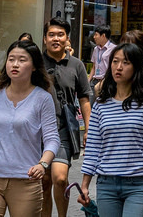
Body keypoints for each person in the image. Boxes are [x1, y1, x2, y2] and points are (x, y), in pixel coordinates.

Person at [0, 40, 59, 217]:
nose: (15, 64)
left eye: (22, 60)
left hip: (26, 180)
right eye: (11, 59)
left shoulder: (42, 99)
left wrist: (43, 164)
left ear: (34, 67)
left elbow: (52, 139)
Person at [77, 43, 143, 215]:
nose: (118, 67)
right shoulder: (101, 103)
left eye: (125, 63)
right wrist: (84, 186)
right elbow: (93, 148)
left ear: (136, 67)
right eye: (115, 61)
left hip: (140, 183)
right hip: (106, 184)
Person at [40, 18, 92, 217]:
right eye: (51, 35)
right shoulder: (36, 63)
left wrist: (88, 129)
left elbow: (84, 99)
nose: (56, 38)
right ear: (44, 39)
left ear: (67, 39)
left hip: (63, 129)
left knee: (60, 178)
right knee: (43, 181)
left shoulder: (76, 65)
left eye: (60, 35)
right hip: (37, 130)